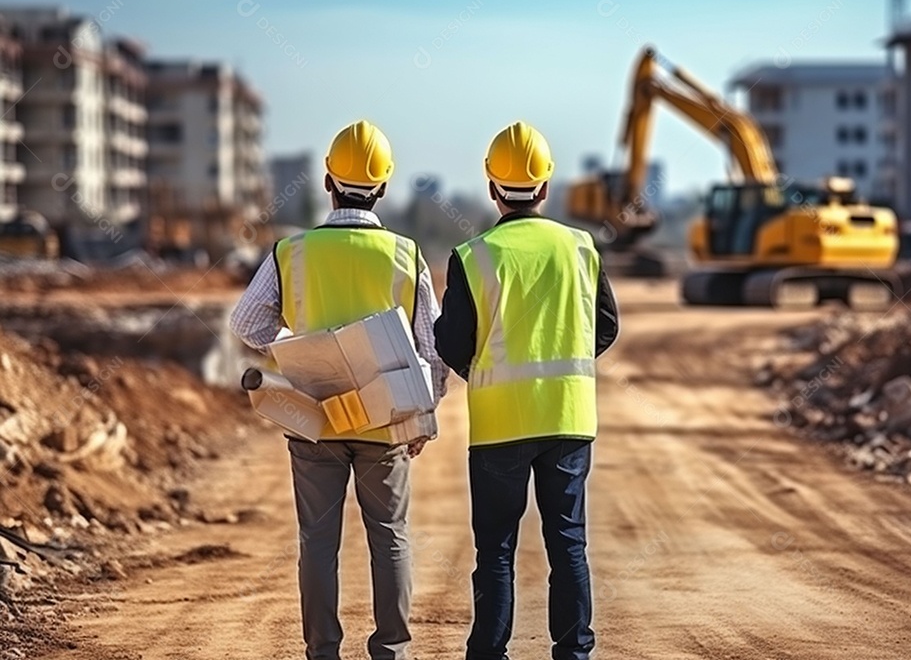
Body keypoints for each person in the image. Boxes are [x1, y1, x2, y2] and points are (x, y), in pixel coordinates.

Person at [230, 119, 447, 660]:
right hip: (387, 420)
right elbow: (433, 348)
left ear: (329, 181)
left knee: (318, 543)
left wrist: (296, 349)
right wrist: (422, 415)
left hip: (316, 419)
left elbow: (246, 324)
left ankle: (322, 651)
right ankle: (391, 650)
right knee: (390, 537)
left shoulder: (292, 252)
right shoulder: (406, 255)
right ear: (385, 186)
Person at [434, 122, 619, 660]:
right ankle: (575, 653)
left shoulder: (473, 256)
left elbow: (450, 342)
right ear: (545, 187)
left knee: (495, 551)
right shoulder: (582, 248)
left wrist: (489, 373)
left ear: (493, 187)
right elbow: (605, 325)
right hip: (568, 418)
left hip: (499, 426)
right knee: (568, 545)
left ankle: (489, 654)